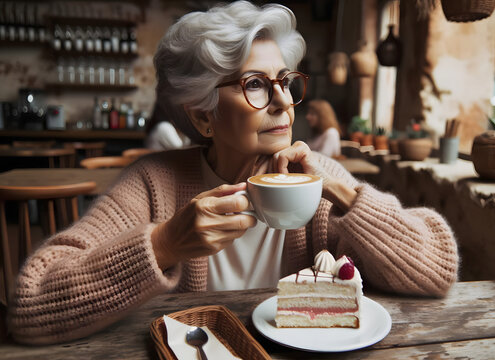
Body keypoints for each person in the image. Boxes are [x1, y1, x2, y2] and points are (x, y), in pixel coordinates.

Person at [8, 1, 458, 345]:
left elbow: (438, 268)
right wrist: (164, 244)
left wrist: (343, 191)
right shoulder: (153, 183)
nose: (284, 101)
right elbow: (29, 306)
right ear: (203, 116)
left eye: (284, 80)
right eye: (256, 84)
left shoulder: (317, 183)